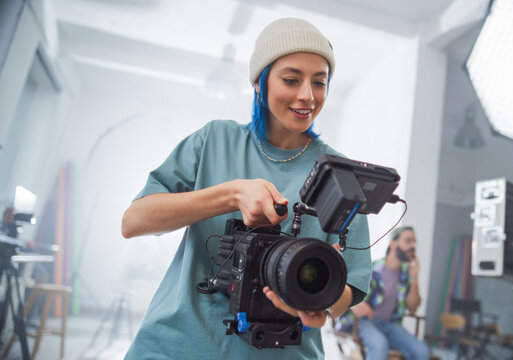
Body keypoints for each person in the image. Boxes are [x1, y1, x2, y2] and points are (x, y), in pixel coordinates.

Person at [121, 18, 372, 360]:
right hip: (177, 346)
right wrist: (231, 195)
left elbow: (349, 287)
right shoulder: (214, 140)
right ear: (260, 82)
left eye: (320, 82)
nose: (307, 96)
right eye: (291, 79)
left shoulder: (340, 174)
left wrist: (324, 306)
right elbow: (135, 222)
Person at [336, 226, 430, 360]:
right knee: (379, 345)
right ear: (393, 244)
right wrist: (355, 304)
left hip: (391, 326)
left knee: (421, 351)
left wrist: (415, 277)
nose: (413, 246)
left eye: (415, 242)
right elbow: (344, 290)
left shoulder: (406, 274)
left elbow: (413, 307)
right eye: (408, 241)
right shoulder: (372, 268)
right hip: (364, 322)